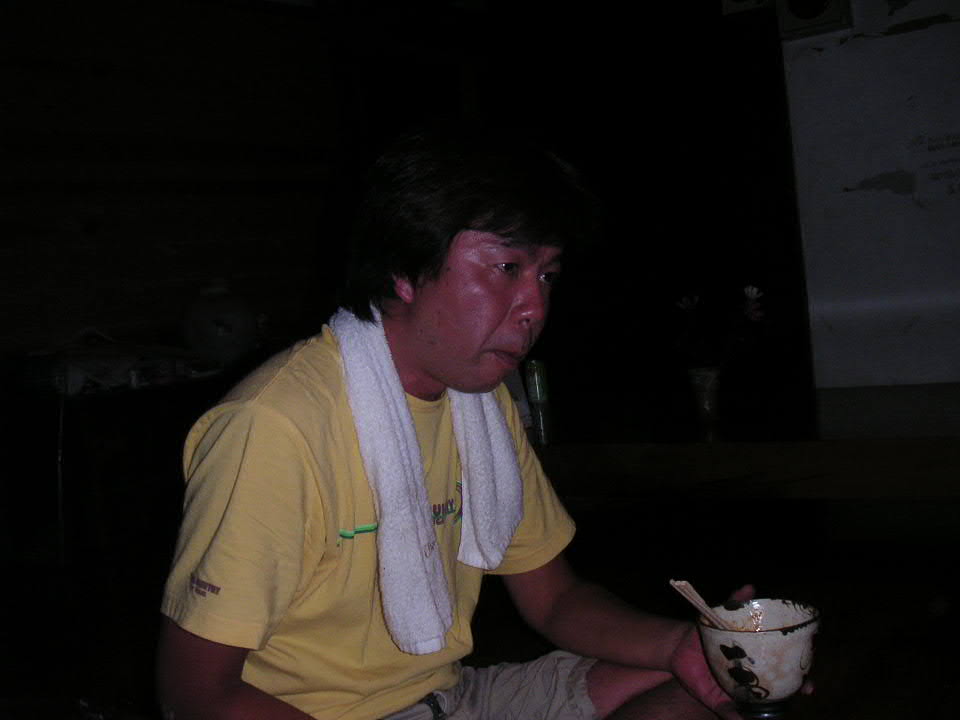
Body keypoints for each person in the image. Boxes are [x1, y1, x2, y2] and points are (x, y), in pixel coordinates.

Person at [156, 127, 741, 720]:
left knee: (710, 677)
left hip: (449, 697)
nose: (535, 308)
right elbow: (196, 692)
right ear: (404, 270)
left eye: (546, 275)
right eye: (507, 266)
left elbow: (556, 600)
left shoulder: (479, 403)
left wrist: (687, 643)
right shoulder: (274, 426)